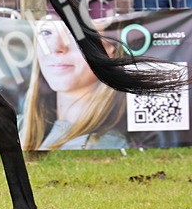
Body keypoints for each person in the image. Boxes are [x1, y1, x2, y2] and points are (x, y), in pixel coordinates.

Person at [20, 19, 127, 150]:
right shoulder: (15, 128)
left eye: (76, 32)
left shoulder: (106, 145)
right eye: (46, 32)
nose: (56, 47)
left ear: (112, 50)